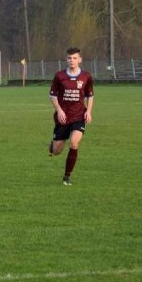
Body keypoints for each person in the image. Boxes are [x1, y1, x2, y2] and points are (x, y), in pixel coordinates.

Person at [48, 47, 94, 186]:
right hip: (63, 117)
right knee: (56, 151)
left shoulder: (86, 76)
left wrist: (89, 111)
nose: (71, 60)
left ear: (79, 59)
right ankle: (53, 145)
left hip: (79, 116)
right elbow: (52, 95)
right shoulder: (59, 76)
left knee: (74, 143)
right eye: (69, 58)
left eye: (74, 58)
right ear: (66, 59)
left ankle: (66, 177)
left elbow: (90, 96)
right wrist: (59, 110)